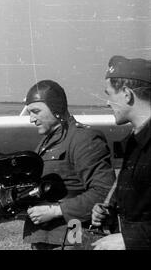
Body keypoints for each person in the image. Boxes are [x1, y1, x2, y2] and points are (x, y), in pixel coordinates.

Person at [22, 80, 116, 249]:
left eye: (36, 111)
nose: (31, 119)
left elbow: (104, 191)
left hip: (72, 234)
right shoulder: (47, 142)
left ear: (55, 108)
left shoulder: (83, 138)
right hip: (44, 238)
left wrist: (55, 211)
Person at [91, 56, 151, 250]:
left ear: (126, 94)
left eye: (109, 94)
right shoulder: (135, 141)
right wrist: (110, 212)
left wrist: (132, 239)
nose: (107, 103)